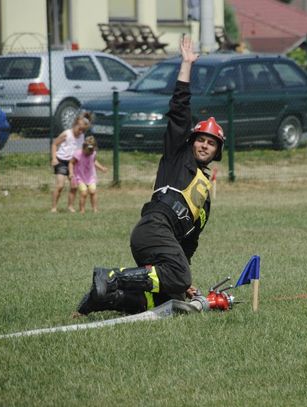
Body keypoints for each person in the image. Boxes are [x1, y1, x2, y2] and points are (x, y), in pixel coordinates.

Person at [75, 35, 225, 316]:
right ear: (192, 141)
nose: (204, 145)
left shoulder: (204, 198)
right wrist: (186, 65)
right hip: (153, 228)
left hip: (164, 241)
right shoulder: (176, 155)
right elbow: (179, 110)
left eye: (211, 142)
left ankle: (105, 298)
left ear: (217, 151)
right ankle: (112, 277)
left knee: (174, 297)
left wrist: (185, 280)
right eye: (201, 139)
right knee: (179, 278)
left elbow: (189, 243)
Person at [50, 111, 92, 213]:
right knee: (60, 185)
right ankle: (54, 207)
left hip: (73, 164)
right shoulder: (66, 134)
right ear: (75, 124)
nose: (80, 132)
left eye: (83, 131)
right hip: (61, 161)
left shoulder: (82, 137)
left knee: (74, 186)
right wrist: (54, 158)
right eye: (80, 129)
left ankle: (70, 206)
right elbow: (54, 144)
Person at [69, 135, 108, 214]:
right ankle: (82, 210)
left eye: (92, 151)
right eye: (88, 151)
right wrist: (71, 173)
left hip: (90, 177)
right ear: (83, 148)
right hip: (80, 177)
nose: (90, 153)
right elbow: (71, 163)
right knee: (83, 192)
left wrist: (102, 168)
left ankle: (95, 209)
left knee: (93, 191)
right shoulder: (78, 154)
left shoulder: (93, 153)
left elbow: (94, 162)